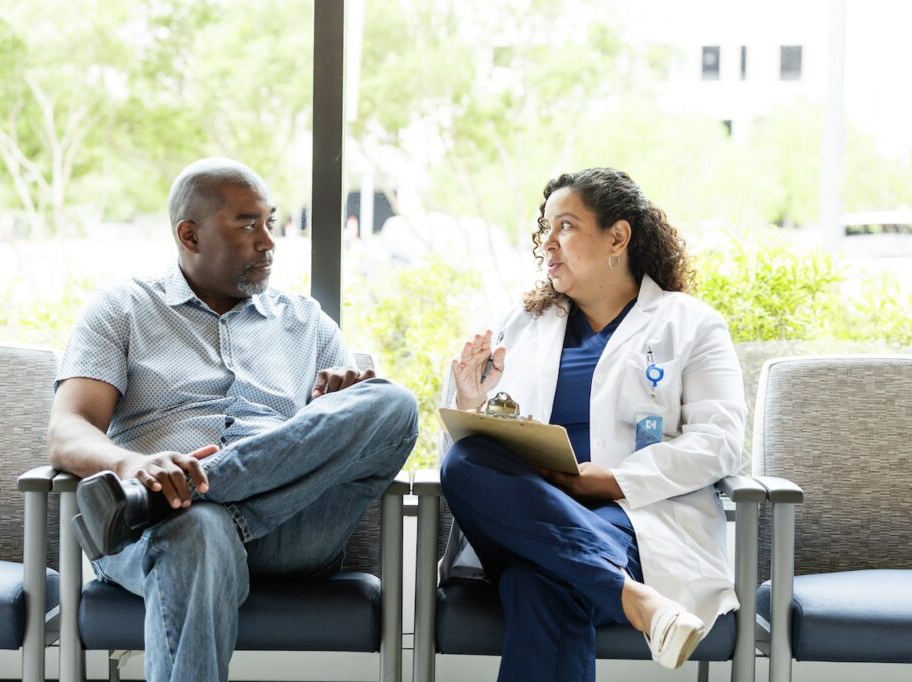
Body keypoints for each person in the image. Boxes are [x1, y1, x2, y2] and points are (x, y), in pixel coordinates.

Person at [48, 157, 418, 682]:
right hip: (164, 536)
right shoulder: (122, 309)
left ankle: (180, 493)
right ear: (190, 235)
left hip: (285, 530)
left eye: (270, 221)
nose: (268, 241)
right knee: (196, 527)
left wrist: (333, 405)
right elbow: (66, 430)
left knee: (393, 403)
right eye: (248, 224)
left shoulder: (307, 321)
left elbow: (348, 433)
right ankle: (179, 498)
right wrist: (132, 465)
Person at [440, 167, 746, 681]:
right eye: (545, 230)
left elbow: (720, 442)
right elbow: (482, 444)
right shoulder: (522, 325)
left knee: (541, 582)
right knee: (464, 460)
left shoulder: (690, 324)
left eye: (565, 226)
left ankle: (608, 579)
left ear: (618, 237)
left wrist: (615, 480)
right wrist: (472, 400)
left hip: (635, 520)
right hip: (528, 510)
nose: (547, 244)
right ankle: (636, 599)